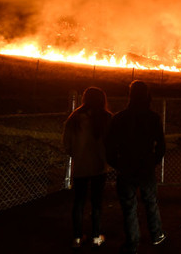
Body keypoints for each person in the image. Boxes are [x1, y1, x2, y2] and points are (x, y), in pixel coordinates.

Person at [105, 80, 166, 254]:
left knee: (128, 205)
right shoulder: (153, 118)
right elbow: (161, 145)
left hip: (126, 167)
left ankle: (132, 242)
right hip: (145, 167)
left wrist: (117, 164)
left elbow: (109, 145)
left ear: (130, 94)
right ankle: (156, 235)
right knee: (151, 202)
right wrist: (152, 161)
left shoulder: (119, 118)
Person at [63, 87, 112, 249]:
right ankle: (96, 237)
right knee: (97, 202)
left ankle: (77, 238)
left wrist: (76, 154)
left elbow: (67, 144)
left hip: (81, 167)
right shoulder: (107, 118)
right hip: (99, 166)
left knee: (79, 202)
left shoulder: (74, 118)